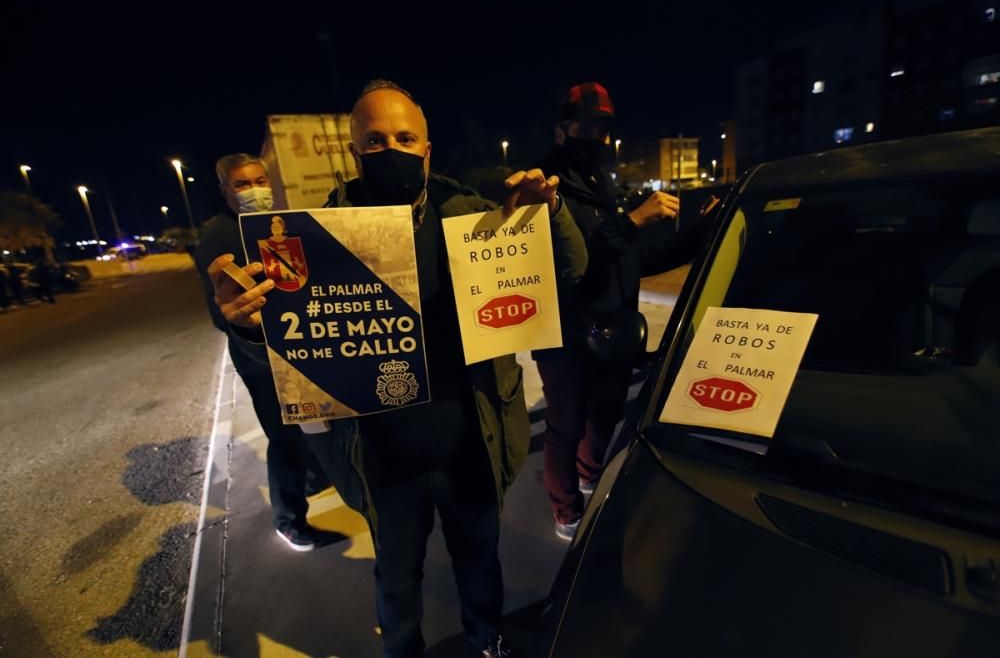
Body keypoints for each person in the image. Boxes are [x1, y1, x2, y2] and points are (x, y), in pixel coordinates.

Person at [207, 79, 587, 658]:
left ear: (428, 150)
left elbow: (570, 270)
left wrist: (550, 213)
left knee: (480, 559)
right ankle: (402, 649)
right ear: (355, 152)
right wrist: (249, 325)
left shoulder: (474, 219)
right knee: (397, 575)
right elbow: (290, 353)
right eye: (375, 139)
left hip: (471, 444)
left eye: (405, 137)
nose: (392, 148)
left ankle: (488, 638)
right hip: (383, 457)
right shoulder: (314, 239)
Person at [534, 82, 718, 541]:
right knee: (565, 426)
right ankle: (566, 512)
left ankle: (588, 475)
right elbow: (574, 263)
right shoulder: (548, 190)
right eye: (587, 127)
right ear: (562, 133)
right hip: (567, 343)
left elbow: (638, 260)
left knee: (605, 417)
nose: (597, 138)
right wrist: (634, 219)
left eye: (604, 129)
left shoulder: (602, 188)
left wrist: (700, 231)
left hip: (613, 336)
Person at [193, 152, 334, 552]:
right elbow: (222, 316)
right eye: (242, 184)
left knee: (316, 424)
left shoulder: (280, 226)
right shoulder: (218, 241)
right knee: (286, 437)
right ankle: (288, 521)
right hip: (259, 360)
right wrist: (252, 326)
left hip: (296, 348)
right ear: (225, 192)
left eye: (260, 180)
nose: (255, 190)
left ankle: (313, 479)